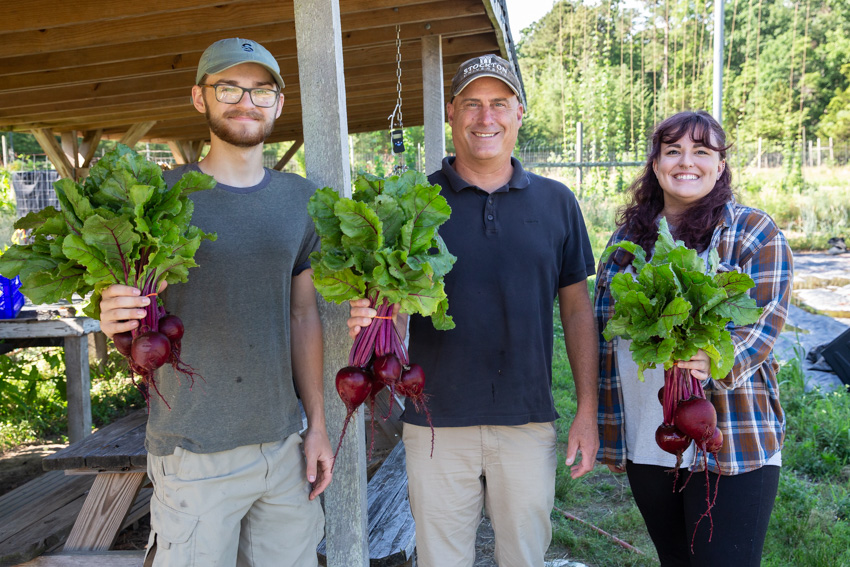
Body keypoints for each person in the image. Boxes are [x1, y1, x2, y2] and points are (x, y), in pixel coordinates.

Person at [348, 54, 599, 567]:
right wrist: (371, 315)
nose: (486, 118)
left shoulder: (557, 203)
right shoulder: (412, 204)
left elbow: (576, 312)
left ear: (519, 113)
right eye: (472, 104)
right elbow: (392, 307)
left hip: (527, 421)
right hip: (434, 422)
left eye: (499, 104)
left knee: (525, 557)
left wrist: (588, 411)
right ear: (451, 113)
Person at [98, 38, 333, 567]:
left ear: (278, 102)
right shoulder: (159, 199)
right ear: (200, 98)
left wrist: (315, 425)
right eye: (228, 87)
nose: (245, 101)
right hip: (192, 454)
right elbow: (132, 322)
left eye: (261, 90)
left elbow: (302, 316)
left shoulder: (301, 201)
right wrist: (112, 316)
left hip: (282, 449)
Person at [595, 110, 792, 566]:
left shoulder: (753, 231)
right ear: (656, 164)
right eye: (673, 151)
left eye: (702, 152)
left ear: (720, 165)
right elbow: (608, 333)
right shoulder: (627, 239)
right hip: (652, 437)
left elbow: (763, 324)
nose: (687, 162)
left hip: (729, 439)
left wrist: (714, 359)